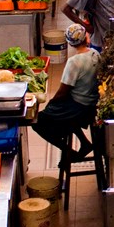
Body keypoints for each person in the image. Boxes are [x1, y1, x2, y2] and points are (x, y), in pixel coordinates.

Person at [32, 24, 100, 160]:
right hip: (92, 102)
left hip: (79, 107)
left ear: (69, 43)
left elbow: (63, 91)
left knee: (38, 121)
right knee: (62, 110)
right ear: (85, 37)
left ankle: (67, 150)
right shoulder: (95, 53)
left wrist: (51, 102)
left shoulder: (74, 62)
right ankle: (85, 143)